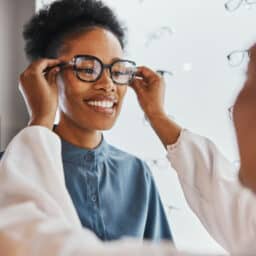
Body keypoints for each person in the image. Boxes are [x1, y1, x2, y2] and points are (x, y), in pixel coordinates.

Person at [0, 0, 173, 242]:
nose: (108, 85)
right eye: (88, 68)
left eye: (117, 70)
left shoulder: (136, 173)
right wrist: (41, 118)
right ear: (49, 75)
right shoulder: (11, 169)